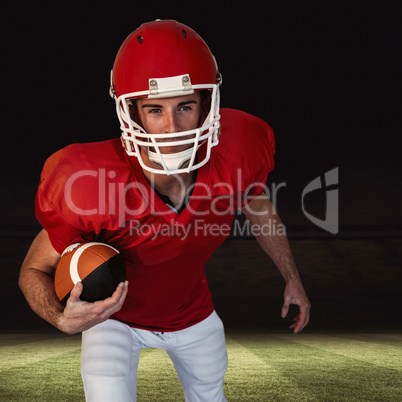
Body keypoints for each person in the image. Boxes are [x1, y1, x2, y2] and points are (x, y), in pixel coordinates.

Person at [19, 20, 310, 401]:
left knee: (211, 394)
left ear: (207, 104)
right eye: (155, 109)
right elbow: (33, 269)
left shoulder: (240, 148)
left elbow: (255, 203)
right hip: (113, 318)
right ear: (132, 113)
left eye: (185, 106)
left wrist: (292, 277)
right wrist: (60, 317)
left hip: (192, 313)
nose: (172, 128)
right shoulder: (88, 182)